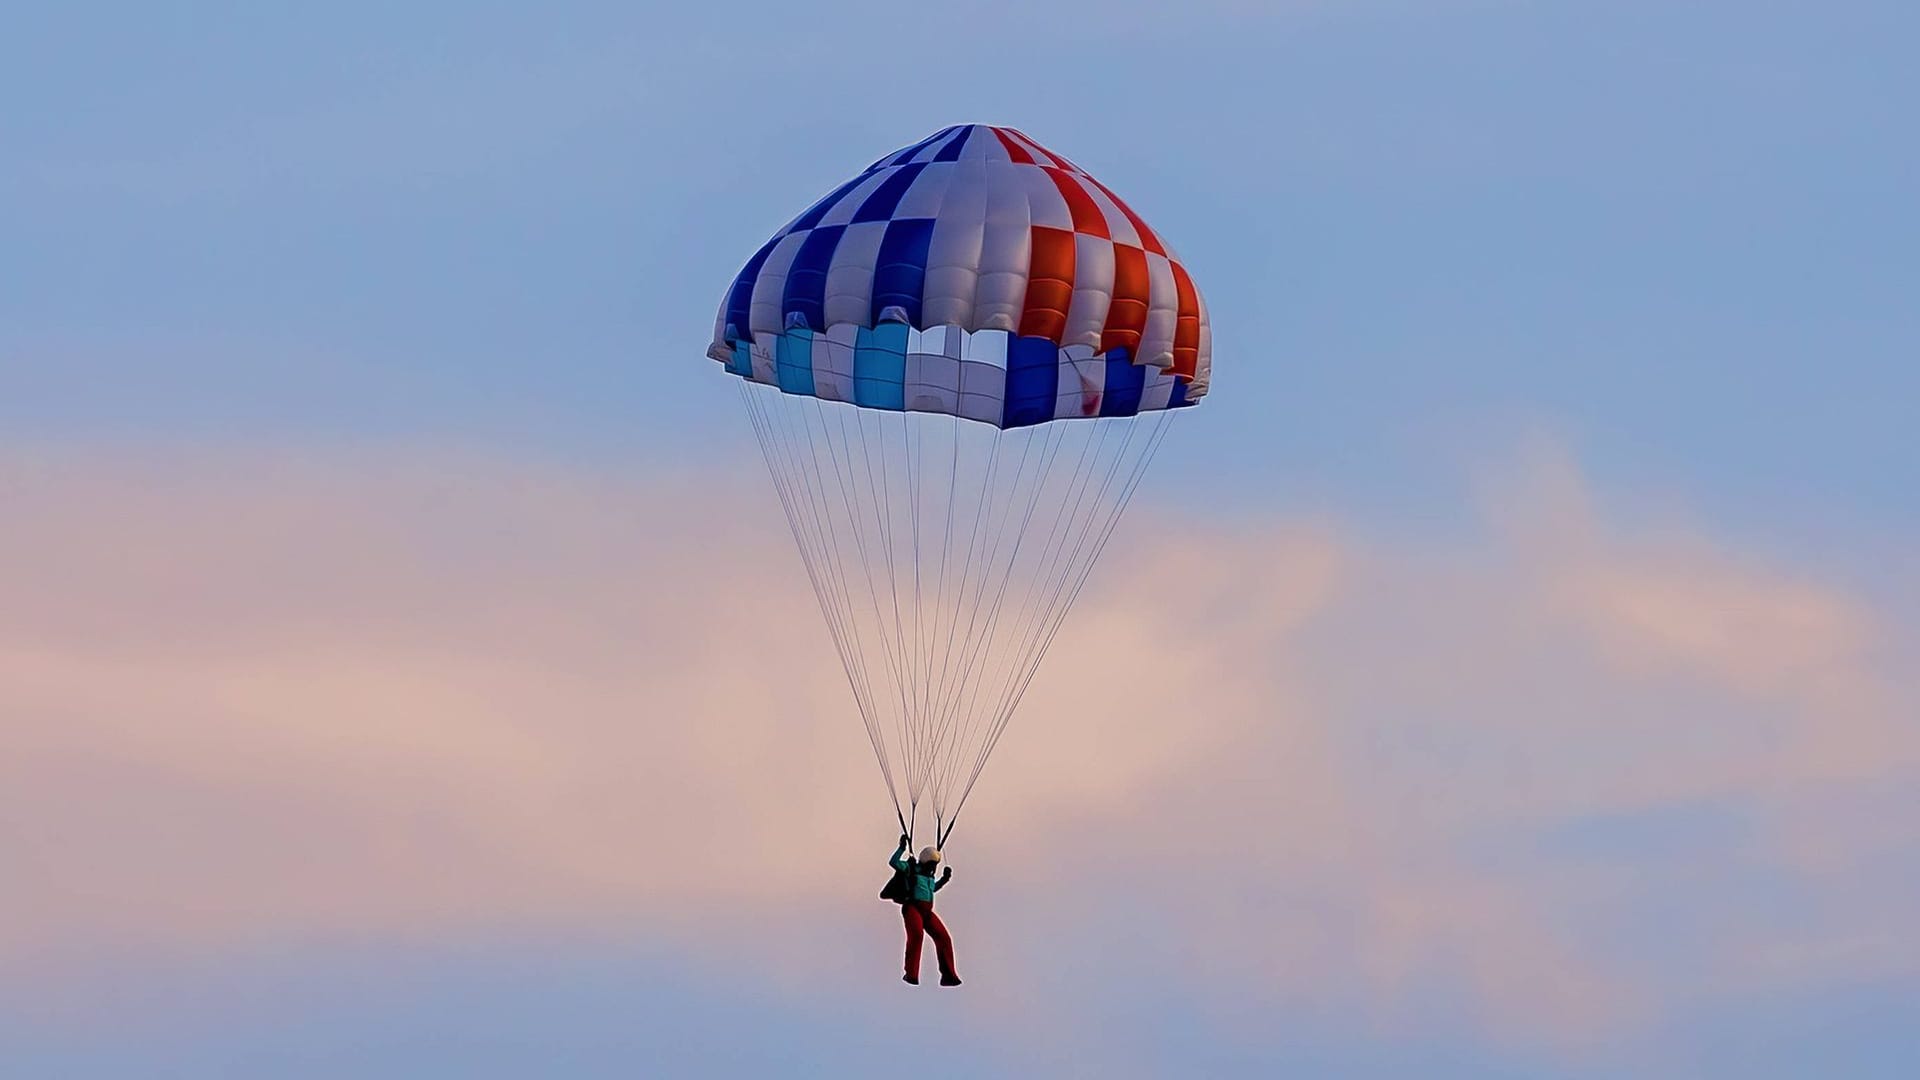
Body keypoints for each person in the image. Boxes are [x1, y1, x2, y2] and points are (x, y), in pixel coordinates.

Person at [890, 834, 959, 986]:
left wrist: (944, 879)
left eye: (935, 865)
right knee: (916, 935)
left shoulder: (929, 877)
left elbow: (932, 889)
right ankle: (911, 974)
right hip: (912, 908)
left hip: (927, 912)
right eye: (932, 865)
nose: (933, 868)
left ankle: (949, 976)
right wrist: (901, 848)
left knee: (944, 938)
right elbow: (893, 862)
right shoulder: (911, 869)